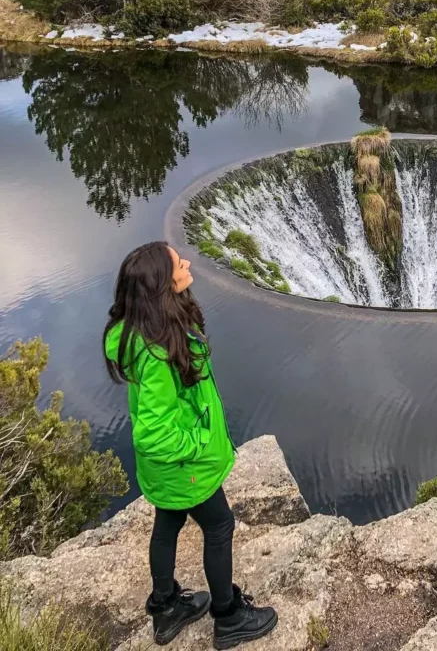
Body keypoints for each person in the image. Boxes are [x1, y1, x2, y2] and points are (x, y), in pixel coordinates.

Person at [103, 241, 278, 648]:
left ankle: (165, 609)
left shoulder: (143, 333)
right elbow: (154, 433)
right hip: (187, 465)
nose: (187, 262)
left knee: (168, 524)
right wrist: (199, 440)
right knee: (219, 526)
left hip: (167, 473)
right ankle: (228, 616)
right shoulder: (158, 353)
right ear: (164, 285)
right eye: (179, 262)